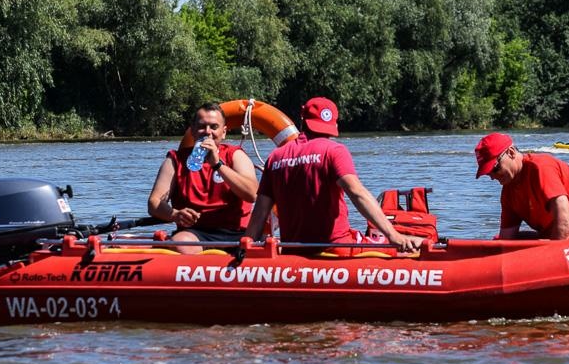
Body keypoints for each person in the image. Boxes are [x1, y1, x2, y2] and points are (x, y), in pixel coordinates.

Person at [245, 97, 425, 254]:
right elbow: (357, 193)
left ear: (303, 119)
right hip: (335, 247)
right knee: (415, 243)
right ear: (334, 124)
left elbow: (260, 212)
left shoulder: (276, 157)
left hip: (293, 249)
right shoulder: (334, 151)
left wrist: (244, 251)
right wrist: (393, 235)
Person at [148, 102, 258, 254]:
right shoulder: (175, 160)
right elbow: (154, 203)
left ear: (224, 132)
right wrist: (174, 214)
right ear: (192, 131)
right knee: (181, 244)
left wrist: (217, 164)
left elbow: (251, 194)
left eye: (213, 127)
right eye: (201, 126)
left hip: (236, 233)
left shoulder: (236, 155)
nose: (207, 132)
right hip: (195, 233)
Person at [475, 133, 569, 240]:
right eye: (487, 173)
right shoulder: (508, 193)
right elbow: (506, 238)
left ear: (511, 152)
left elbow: (566, 223)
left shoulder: (541, 168)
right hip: (561, 238)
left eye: (495, 169)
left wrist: (549, 259)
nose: (492, 177)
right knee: (500, 240)